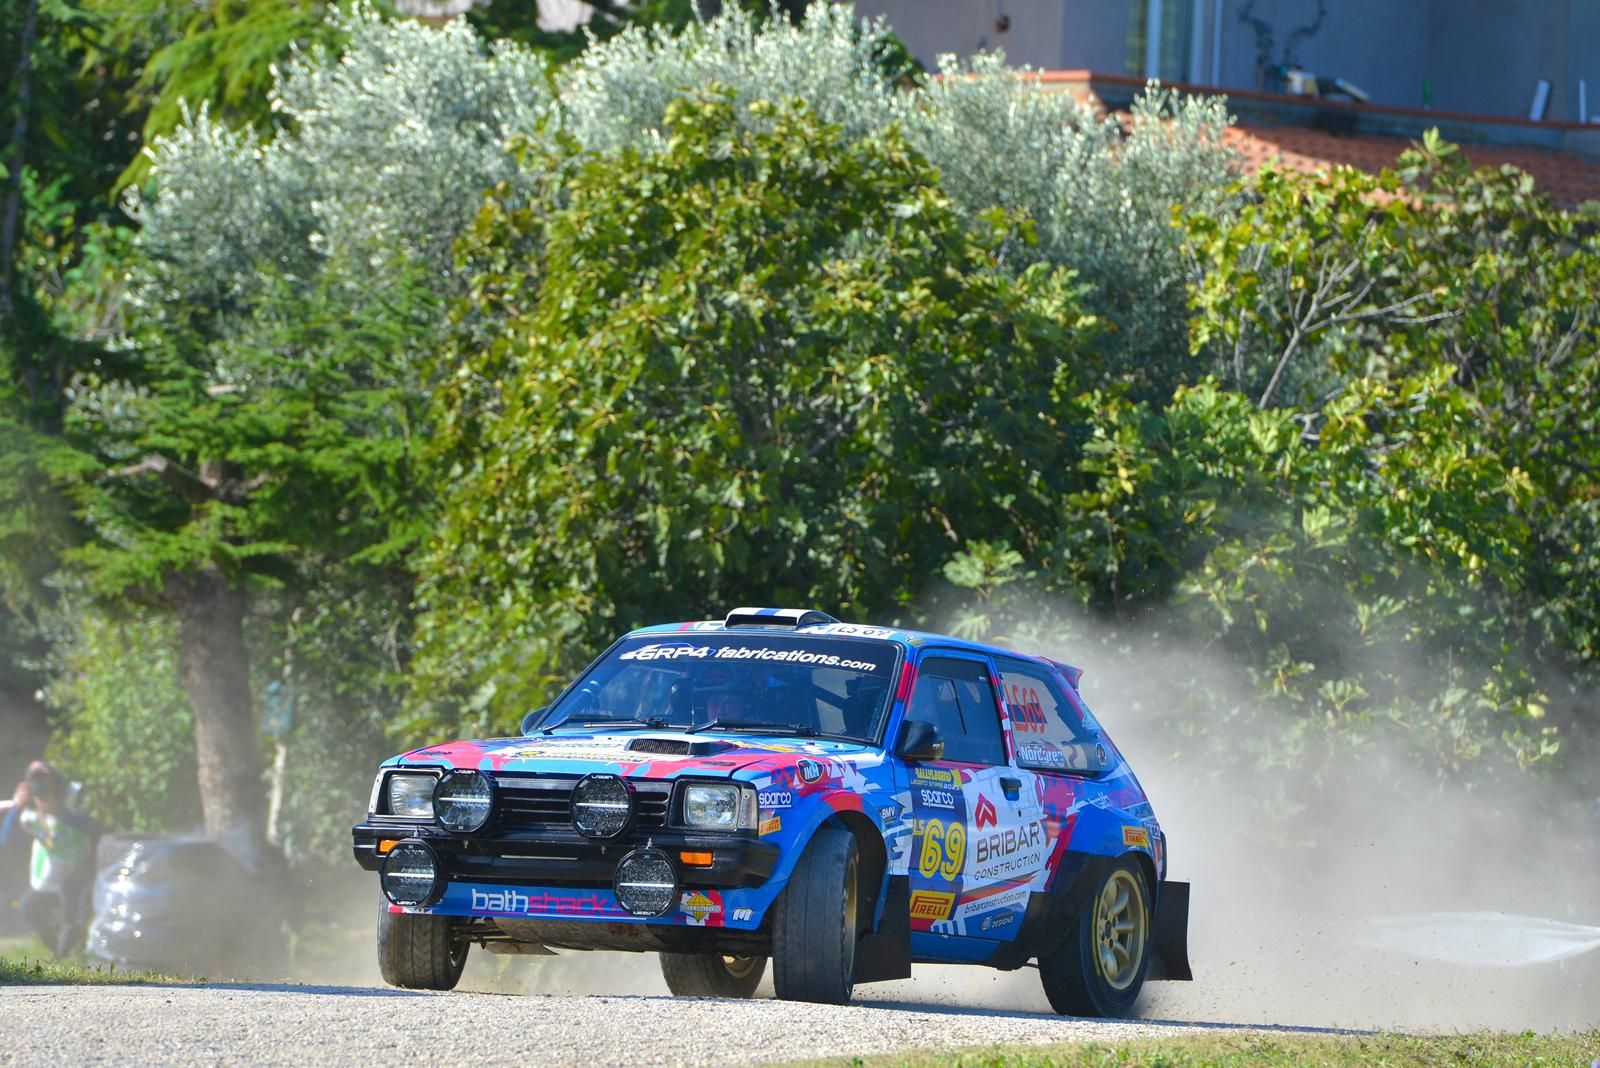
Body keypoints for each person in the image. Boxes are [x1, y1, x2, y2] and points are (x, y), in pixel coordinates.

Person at [0, 762, 96, 957]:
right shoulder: (28, 809)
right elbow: (7, 840)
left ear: (55, 781)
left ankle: (65, 956)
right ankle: (60, 950)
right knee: (28, 907)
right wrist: (16, 808)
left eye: (45, 780)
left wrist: (58, 811)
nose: (41, 786)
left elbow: (92, 828)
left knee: (71, 916)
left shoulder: (71, 797)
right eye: (35, 781)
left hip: (78, 873)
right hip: (50, 875)